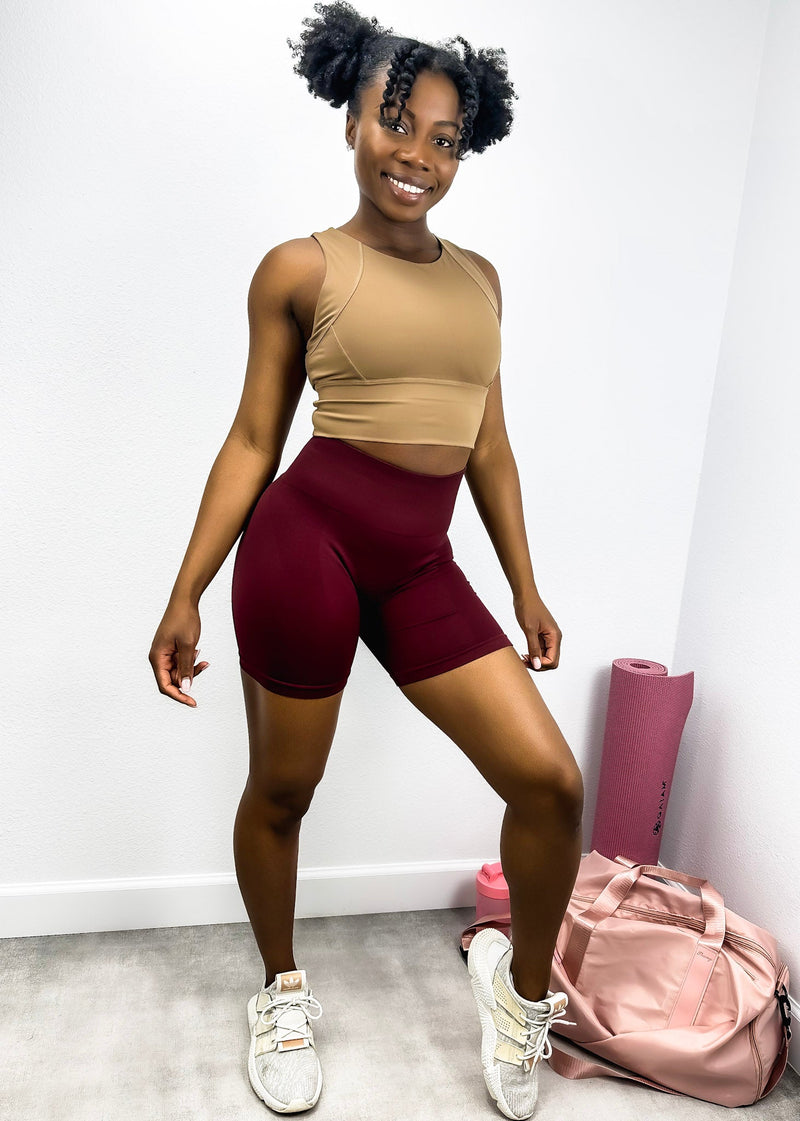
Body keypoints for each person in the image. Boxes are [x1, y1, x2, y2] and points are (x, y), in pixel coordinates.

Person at [148, 3, 584, 1118]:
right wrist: (187, 589)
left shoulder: (480, 279)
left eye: (444, 138)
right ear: (351, 120)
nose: (417, 156)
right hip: (308, 544)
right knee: (285, 788)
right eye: (397, 124)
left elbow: (487, 442)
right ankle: (281, 990)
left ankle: (520, 993)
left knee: (549, 783)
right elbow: (254, 438)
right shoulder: (301, 267)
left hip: (419, 562)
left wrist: (524, 584)